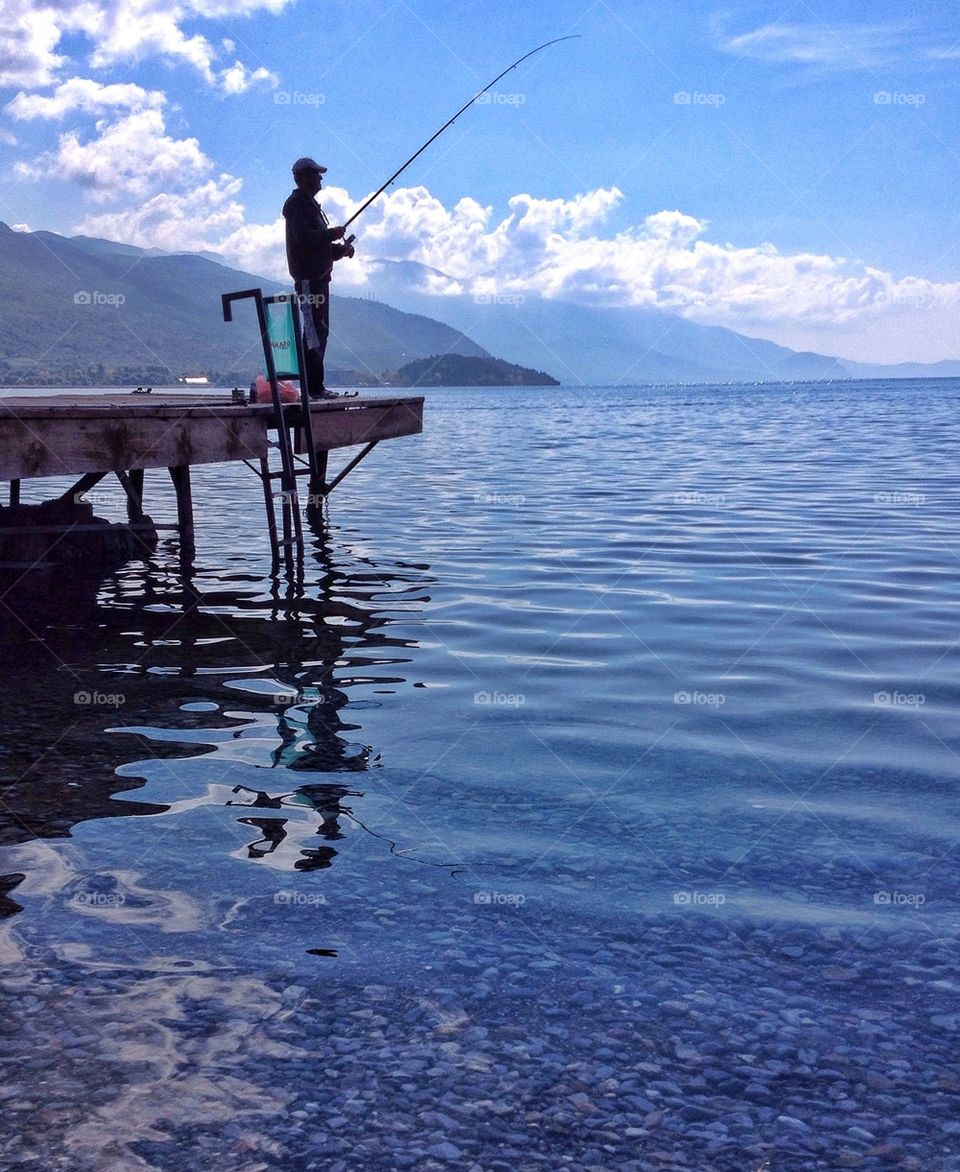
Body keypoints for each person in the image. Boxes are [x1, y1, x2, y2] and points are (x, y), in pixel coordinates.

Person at [282, 157, 355, 399]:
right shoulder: (295, 205)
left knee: (319, 331)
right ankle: (313, 389)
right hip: (308, 280)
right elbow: (306, 239)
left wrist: (340, 251)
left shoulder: (312, 206)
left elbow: (319, 247)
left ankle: (315, 387)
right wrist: (331, 234)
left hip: (319, 279)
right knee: (313, 331)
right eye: (315, 174)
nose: (320, 178)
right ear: (301, 177)